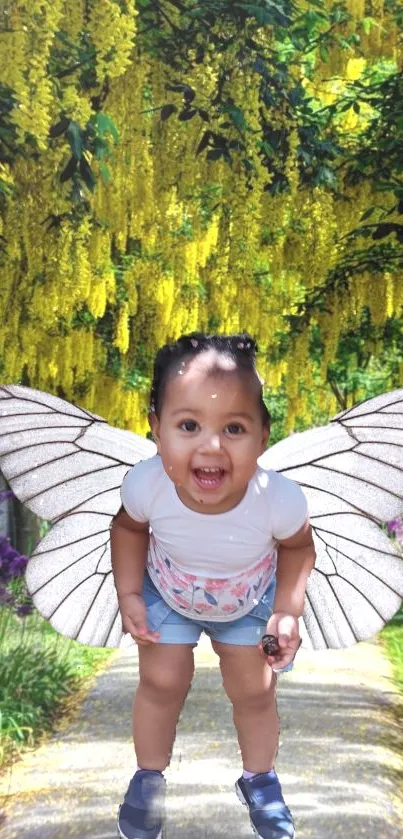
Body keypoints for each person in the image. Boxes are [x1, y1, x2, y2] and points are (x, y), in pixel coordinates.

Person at [110, 332, 316, 839]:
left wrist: (286, 610)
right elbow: (129, 529)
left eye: (235, 428)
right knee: (161, 682)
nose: (211, 446)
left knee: (254, 692)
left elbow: (298, 548)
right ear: (157, 430)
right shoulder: (146, 483)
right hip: (169, 592)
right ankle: (148, 779)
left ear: (263, 435)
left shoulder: (278, 498)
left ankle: (260, 779)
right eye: (188, 425)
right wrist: (130, 593)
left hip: (246, 600)